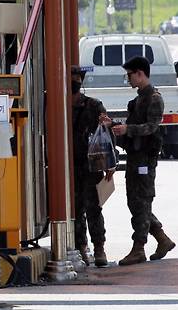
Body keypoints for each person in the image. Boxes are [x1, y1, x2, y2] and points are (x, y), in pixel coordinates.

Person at [100, 56, 176, 266]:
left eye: (130, 75)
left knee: (141, 202)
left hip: (145, 160)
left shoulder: (154, 98)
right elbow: (131, 132)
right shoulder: (137, 100)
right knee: (136, 202)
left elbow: (152, 127)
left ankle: (139, 248)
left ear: (140, 73)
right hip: (135, 158)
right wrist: (112, 126)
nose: (128, 79)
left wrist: (127, 129)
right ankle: (162, 239)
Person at [71, 65, 112, 267]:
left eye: (78, 78)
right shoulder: (54, 102)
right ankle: (81, 248)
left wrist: (110, 164)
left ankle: (99, 248)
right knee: (75, 210)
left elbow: (106, 135)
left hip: (90, 166)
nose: (75, 81)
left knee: (93, 207)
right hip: (67, 167)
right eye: (72, 77)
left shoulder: (94, 105)